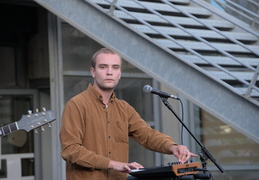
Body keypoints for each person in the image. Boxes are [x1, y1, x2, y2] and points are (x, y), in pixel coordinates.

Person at [60, 48, 197, 180]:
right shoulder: (76, 105)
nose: (109, 72)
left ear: (120, 73)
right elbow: (71, 150)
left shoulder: (124, 108)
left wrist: (172, 147)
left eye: (115, 67)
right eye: (103, 67)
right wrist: (113, 164)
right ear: (93, 72)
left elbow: (147, 135)